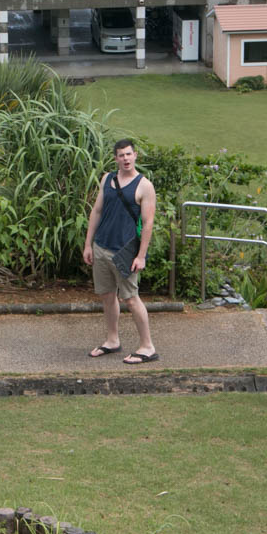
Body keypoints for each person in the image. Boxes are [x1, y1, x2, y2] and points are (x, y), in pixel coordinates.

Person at [83, 139, 158, 365]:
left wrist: (141, 256)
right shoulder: (107, 179)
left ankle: (147, 347)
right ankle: (112, 340)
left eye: (129, 154)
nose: (125, 159)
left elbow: (148, 223)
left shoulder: (144, 186)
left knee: (131, 299)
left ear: (135, 156)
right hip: (101, 247)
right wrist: (88, 244)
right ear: (115, 158)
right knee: (107, 296)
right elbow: (96, 211)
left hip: (124, 252)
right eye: (121, 155)